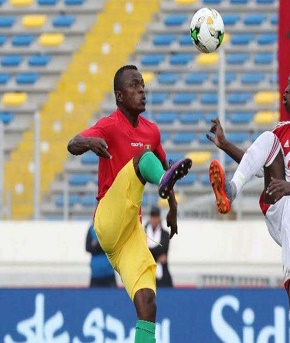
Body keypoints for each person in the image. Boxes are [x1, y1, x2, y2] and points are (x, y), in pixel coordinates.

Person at [207, 68, 290, 343]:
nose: (286, 90)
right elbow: (257, 164)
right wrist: (225, 144)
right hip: (280, 206)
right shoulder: (281, 131)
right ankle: (230, 189)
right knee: (268, 139)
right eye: (287, 84)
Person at [67, 65, 192, 343]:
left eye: (143, 85)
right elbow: (72, 144)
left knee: (148, 303)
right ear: (119, 96)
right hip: (108, 219)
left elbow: (164, 172)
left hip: (130, 232)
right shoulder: (110, 125)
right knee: (141, 162)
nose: (142, 90)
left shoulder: (152, 132)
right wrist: (89, 143)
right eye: (134, 86)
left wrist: (173, 208)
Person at [145, 205, 173, 288]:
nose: (154, 219)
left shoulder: (165, 234)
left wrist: (150, 253)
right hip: (147, 273)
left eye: (156, 216)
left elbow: (164, 248)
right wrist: (157, 256)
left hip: (162, 274)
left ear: (159, 218)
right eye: (152, 216)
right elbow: (144, 251)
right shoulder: (143, 233)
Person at [85, 222, 117, 288]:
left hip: (108, 272)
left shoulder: (110, 229)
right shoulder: (91, 229)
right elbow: (87, 247)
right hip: (96, 273)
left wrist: (96, 244)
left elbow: (112, 246)